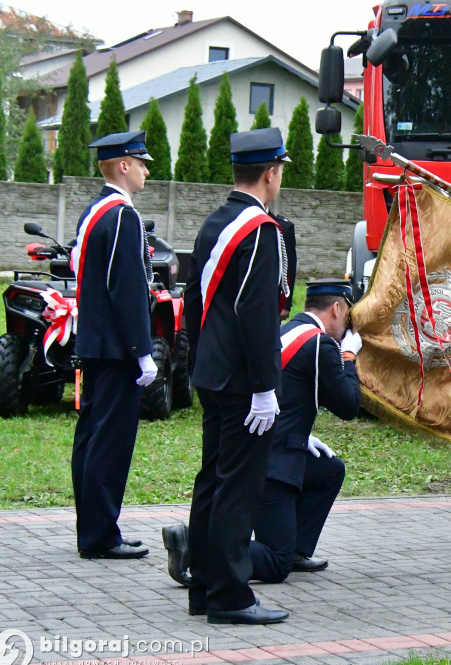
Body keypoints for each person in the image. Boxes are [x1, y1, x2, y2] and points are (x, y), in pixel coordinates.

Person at [163, 280, 361, 586]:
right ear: (337, 308)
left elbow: (283, 392)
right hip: (273, 463)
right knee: (274, 563)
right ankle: (196, 544)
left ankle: (296, 549)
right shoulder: (320, 344)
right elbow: (348, 406)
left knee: (328, 470)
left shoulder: (284, 332)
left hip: (265, 445)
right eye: (348, 315)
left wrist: (300, 433)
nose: (347, 325)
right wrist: (349, 356)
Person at [182, 128, 291, 625]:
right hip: (244, 382)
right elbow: (257, 315)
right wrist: (266, 387)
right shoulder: (260, 230)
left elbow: (194, 301)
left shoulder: (215, 222)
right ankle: (230, 594)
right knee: (237, 488)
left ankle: (202, 585)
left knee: (212, 481)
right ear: (270, 172)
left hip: (213, 369)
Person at [70, 131, 158, 560]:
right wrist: (142, 350)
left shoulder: (94, 212)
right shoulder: (123, 216)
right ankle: (101, 536)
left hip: (96, 342)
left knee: (91, 437)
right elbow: (127, 288)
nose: (146, 169)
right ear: (122, 165)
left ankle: (93, 528)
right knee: (109, 441)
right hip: (116, 349)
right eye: (140, 162)